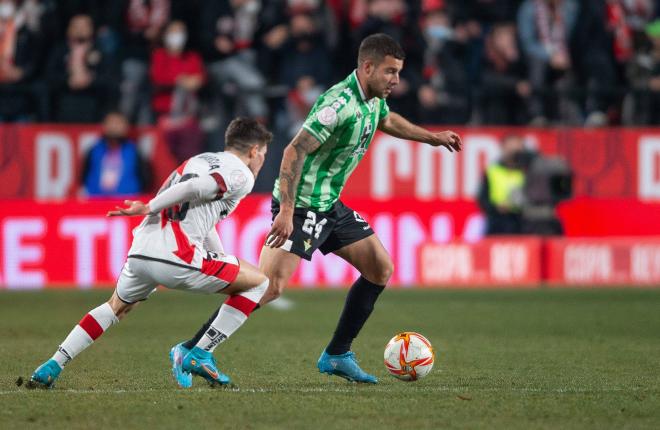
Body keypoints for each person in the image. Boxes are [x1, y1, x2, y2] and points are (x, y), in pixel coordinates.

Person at [175, 33, 462, 384]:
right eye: (390, 72)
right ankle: (192, 350)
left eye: (399, 72)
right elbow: (294, 151)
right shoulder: (336, 105)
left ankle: (338, 354)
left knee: (380, 268)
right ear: (367, 67)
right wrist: (285, 211)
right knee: (268, 286)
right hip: (300, 206)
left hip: (329, 205)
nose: (396, 81)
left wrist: (432, 138)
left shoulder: (373, 99)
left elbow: (387, 120)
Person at [28, 118, 273, 389]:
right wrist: (149, 206)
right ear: (253, 151)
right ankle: (200, 353)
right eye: (262, 153)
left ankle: (53, 364)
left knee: (116, 307)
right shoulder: (241, 173)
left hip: (142, 251)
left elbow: (203, 217)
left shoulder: (200, 160)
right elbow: (194, 189)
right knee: (260, 283)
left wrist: (222, 260)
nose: (262, 159)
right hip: (178, 256)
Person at [81, 111, 152, 196]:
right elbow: (84, 176)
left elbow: (145, 178)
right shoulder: (94, 150)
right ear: (104, 125)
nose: (115, 127)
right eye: (112, 122)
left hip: (126, 203)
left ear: (126, 127)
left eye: (119, 123)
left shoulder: (134, 151)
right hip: (96, 201)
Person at [477, 134, 527, 235]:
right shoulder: (492, 171)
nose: (513, 153)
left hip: (520, 224)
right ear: (503, 148)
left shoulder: (527, 171)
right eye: (510, 148)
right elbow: (482, 199)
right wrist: (496, 207)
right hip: (497, 223)